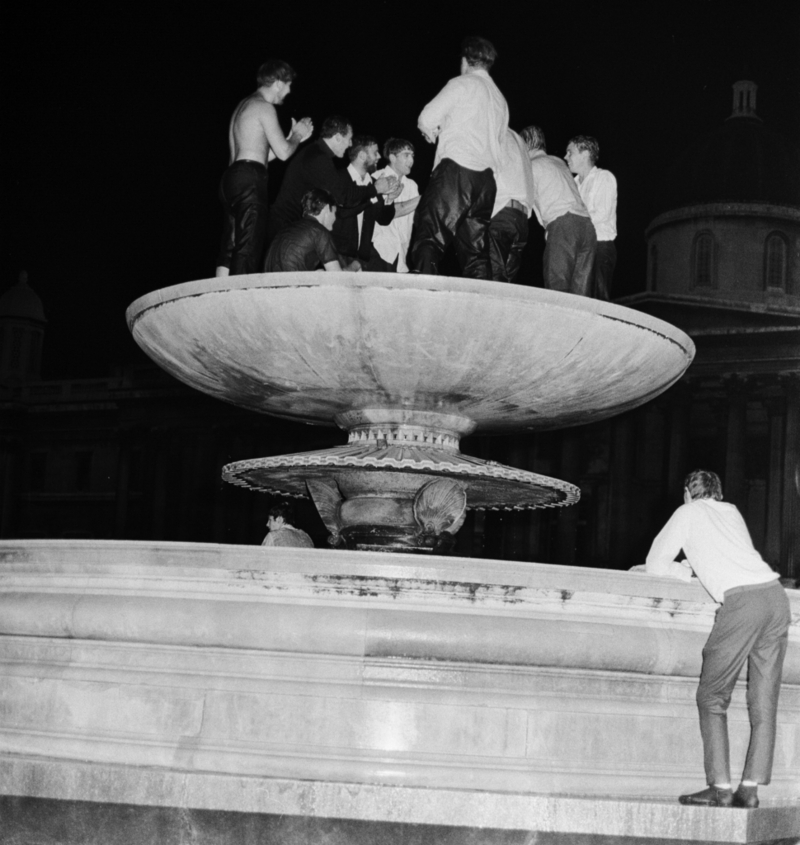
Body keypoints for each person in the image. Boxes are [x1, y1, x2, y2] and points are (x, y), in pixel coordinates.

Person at [634, 470, 790, 809]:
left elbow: (655, 563)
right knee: (763, 702)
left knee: (711, 696)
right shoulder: (731, 512)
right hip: (776, 599)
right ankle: (749, 790)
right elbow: (728, 554)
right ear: (718, 493)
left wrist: (683, 570)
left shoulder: (687, 512)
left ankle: (720, 788)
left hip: (743, 604)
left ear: (688, 494)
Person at [410, 36, 510, 278]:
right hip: (486, 184)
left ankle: (423, 302)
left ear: (466, 61)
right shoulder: (500, 100)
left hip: (457, 172)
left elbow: (426, 118)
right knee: (476, 255)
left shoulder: (462, 83)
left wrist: (431, 132)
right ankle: (479, 309)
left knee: (428, 236)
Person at [216, 60, 313, 277]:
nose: (288, 92)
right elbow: (284, 152)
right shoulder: (264, 107)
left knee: (230, 246)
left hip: (231, 179)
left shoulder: (244, 105)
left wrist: (287, 138)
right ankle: (239, 305)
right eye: (288, 85)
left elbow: (262, 155)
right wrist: (297, 134)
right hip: (250, 180)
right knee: (248, 247)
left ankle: (217, 297)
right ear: (278, 82)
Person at [267, 116, 397, 244]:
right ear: (338, 138)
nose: (351, 144)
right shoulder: (319, 158)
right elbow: (343, 197)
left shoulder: (317, 153)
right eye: (349, 139)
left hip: (286, 227)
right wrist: (375, 189)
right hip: (284, 227)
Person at [520, 125, 596, 296]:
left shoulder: (531, 166)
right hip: (587, 226)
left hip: (563, 225)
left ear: (525, 146)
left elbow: (527, 205)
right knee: (581, 295)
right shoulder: (558, 162)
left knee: (558, 289)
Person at [331, 136, 400, 271]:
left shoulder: (374, 183)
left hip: (362, 260)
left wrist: (390, 199)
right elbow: (342, 211)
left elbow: (383, 220)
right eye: (375, 152)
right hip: (337, 256)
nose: (379, 156)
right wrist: (374, 195)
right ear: (362, 155)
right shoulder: (338, 178)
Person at [565, 136, 617, 300]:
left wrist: (572, 223)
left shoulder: (604, 177)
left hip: (599, 248)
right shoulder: (572, 183)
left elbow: (602, 213)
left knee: (598, 302)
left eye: (570, 152)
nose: (565, 157)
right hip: (577, 250)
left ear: (585, 154)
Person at [488, 128, 535, 283]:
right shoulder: (519, 141)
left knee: (495, 278)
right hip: (521, 219)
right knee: (508, 282)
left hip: (502, 213)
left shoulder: (495, 133)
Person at [264, 189, 344, 272]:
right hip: (291, 283)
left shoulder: (285, 230)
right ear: (327, 209)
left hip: (268, 282)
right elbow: (336, 276)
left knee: (320, 272)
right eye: (335, 213)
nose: (335, 219)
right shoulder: (319, 231)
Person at [371, 138, 421, 272]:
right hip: (378, 251)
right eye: (406, 155)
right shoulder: (376, 178)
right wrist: (426, 197)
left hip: (401, 255)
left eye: (412, 156)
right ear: (392, 157)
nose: (411, 160)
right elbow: (392, 211)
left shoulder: (412, 185)